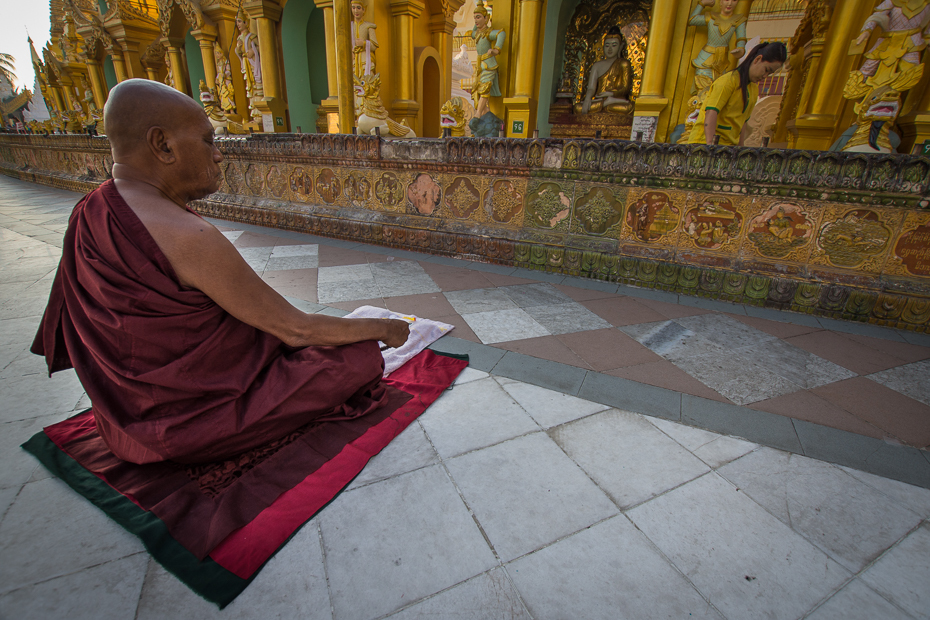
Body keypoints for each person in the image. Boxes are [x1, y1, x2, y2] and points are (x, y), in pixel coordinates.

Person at [31, 79, 410, 465]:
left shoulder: (89, 211)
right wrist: (383, 328)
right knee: (358, 358)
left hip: (121, 423)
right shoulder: (188, 236)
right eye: (209, 141)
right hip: (183, 427)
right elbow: (296, 329)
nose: (218, 156)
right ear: (163, 145)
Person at [687, 41, 787, 146]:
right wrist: (710, 146)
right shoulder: (728, 81)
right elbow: (711, 112)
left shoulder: (753, 90)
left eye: (769, 73)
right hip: (703, 144)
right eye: (766, 70)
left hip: (728, 147)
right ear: (757, 59)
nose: (765, 76)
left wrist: (740, 149)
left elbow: (742, 123)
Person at [575, 27, 634, 115]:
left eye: (614, 45)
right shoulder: (597, 65)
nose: (610, 49)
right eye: (607, 45)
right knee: (577, 108)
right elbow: (591, 88)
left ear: (620, 47)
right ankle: (605, 103)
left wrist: (610, 94)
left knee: (628, 108)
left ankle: (607, 103)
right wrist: (587, 99)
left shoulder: (624, 63)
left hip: (617, 101)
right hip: (600, 100)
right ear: (603, 47)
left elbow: (625, 88)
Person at [469, 1, 506, 119]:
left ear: (486, 18)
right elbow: (472, 33)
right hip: (480, 65)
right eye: (474, 18)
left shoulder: (488, 33)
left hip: (489, 64)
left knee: (484, 89)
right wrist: (479, 15)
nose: (476, 21)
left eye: (478, 17)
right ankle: (486, 111)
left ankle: (478, 114)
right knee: (477, 90)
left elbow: (501, 33)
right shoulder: (477, 33)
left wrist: (496, 50)